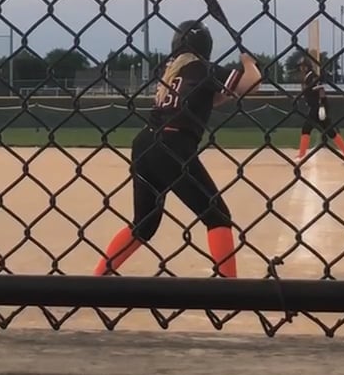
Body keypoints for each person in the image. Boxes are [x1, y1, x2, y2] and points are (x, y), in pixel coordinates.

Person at [93, 20, 263, 278]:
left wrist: (235, 86)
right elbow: (252, 83)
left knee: (144, 225)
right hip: (173, 146)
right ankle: (231, 288)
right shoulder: (202, 67)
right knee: (217, 216)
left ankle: (97, 278)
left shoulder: (173, 71)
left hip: (145, 145)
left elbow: (211, 99)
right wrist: (249, 63)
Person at [295, 55, 344, 165]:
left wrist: (322, 106)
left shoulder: (312, 77)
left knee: (306, 128)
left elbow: (321, 90)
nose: (301, 68)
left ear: (307, 66)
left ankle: (301, 155)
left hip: (317, 106)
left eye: (303, 66)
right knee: (330, 131)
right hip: (315, 106)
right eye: (300, 66)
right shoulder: (307, 77)